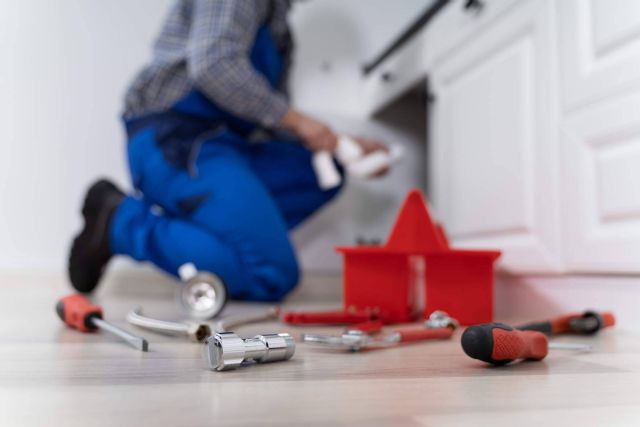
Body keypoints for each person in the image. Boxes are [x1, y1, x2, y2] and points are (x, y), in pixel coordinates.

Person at [68, 0, 386, 301]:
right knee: (270, 273)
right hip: (176, 141)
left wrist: (341, 145)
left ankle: (218, 236)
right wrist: (301, 121)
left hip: (227, 145)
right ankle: (120, 223)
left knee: (323, 170)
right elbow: (213, 64)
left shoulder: (279, 31)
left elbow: (270, 118)